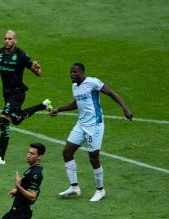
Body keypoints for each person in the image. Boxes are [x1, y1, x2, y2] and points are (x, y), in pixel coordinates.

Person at [50, 63, 133, 202]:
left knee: (93, 158)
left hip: (95, 125)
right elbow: (75, 104)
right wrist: (59, 109)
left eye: (75, 72)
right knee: (67, 152)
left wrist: (125, 109)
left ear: (82, 72)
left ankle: (100, 190)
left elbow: (112, 93)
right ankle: (74, 188)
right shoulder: (75, 87)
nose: (72, 74)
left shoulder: (93, 83)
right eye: (70, 72)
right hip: (81, 124)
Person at [0, 30, 51, 167]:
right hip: (7, 93)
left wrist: (37, 69)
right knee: (16, 119)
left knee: (3, 120)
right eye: (5, 38)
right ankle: (43, 105)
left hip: (17, 93)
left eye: (10, 39)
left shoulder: (21, 55)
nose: (7, 41)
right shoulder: (0, 52)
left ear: (15, 40)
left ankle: (1, 156)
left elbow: (37, 72)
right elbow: (0, 68)